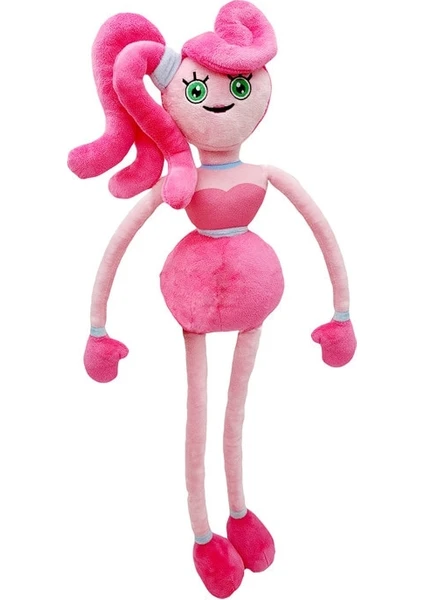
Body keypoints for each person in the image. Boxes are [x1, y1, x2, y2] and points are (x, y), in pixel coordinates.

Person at [68, 3, 356, 597]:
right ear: (170, 102)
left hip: (251, 302)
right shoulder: (180, 181)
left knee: (235, 414)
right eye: (196, 90)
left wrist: (341, 313)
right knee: (198, 412)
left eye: (239, 86)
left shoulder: (267, 173)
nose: (221, 101)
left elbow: (323, 231)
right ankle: (203, 533)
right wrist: (99, 327)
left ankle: (240, 512)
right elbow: (120, 240)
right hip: (195, 305)